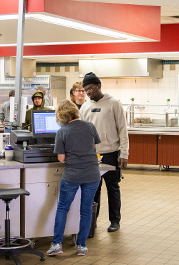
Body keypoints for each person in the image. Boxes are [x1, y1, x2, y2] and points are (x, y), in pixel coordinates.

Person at [46, 100, 101, 257]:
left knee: (63, 208)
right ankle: (82, 246)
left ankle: (57, 244)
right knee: (86, 209)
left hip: (72, 175)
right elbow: (95, 147)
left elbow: (61, 159)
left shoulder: (62, 131)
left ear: (61, 116)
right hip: (92, 174)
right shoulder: (90, 126)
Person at [79, 72, 129, 233]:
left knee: (113, 188)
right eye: (85, 89)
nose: (88, 92)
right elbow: (81, 131)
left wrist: (124, 154)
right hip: (91, 156)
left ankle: (115, 221)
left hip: (111, 153)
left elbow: (123, 130)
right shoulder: (85, 107)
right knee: (93, 190)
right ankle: (93, 221)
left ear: (99, 86)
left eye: (91, 88)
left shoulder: (114, 103)